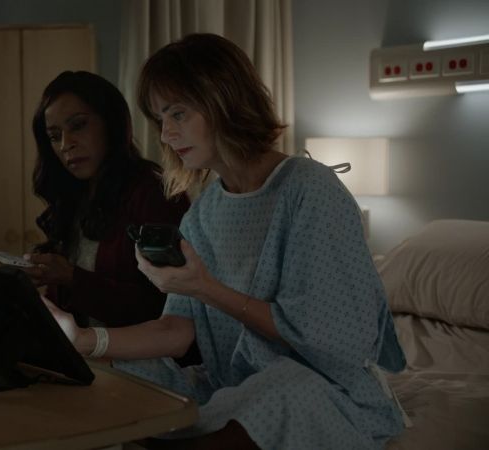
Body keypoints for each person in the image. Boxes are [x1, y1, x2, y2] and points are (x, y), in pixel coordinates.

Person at [43, 34, 407, 449]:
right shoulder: (204, 211)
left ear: (224, 101)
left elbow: (328, 339)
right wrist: (85, 340)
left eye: (178, 113)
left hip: (323, 389)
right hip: (231, 384)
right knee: (114, 375)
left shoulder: (310, 190)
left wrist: (204, 287)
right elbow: (177, 330)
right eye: (161, 119)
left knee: (285, 390)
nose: (167, 134)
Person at [24, 70, 191, 332]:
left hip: (141, 354)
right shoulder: (74, 197)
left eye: (78, 125)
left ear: (111, 123)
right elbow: (62, 305)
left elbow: (164, 307)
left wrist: (71, 277)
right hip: (82, 351)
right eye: (55, 136)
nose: (66, 144)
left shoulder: (153, 192)